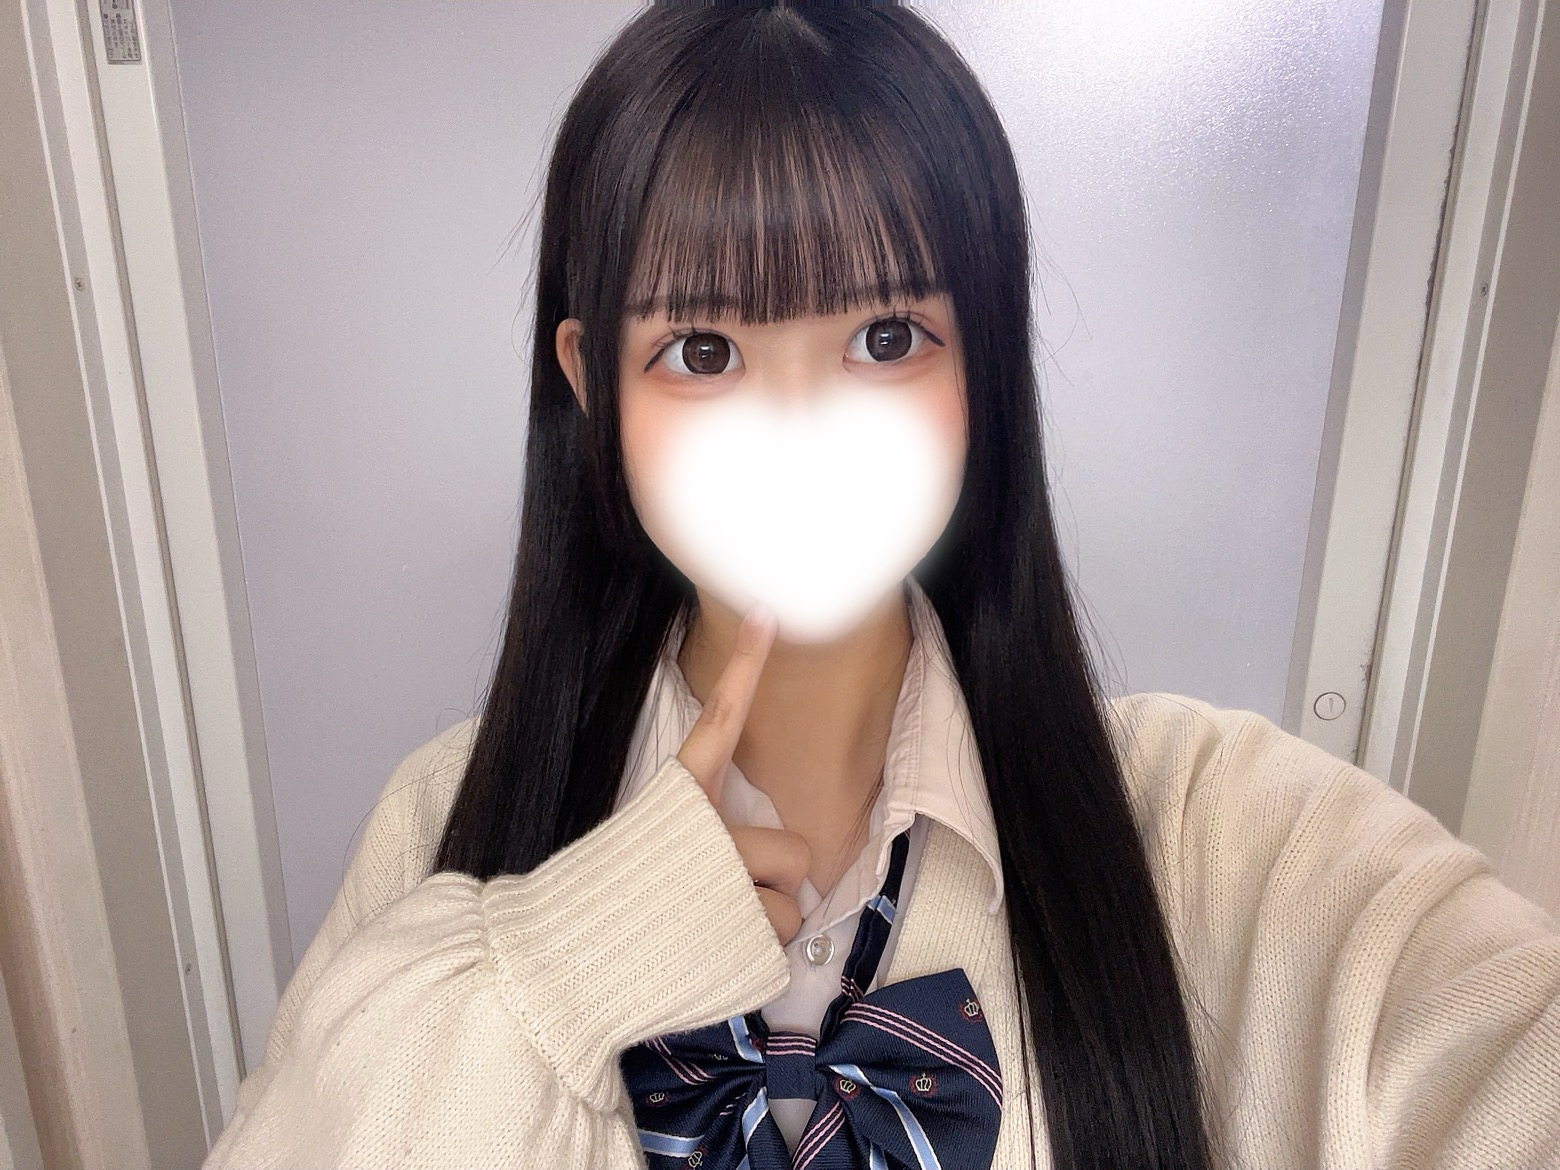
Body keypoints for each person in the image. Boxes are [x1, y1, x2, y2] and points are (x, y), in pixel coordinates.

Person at [202, 4, 1560, 1168]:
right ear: (590, 386)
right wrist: (561, 963)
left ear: (983, 372)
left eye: (889, 335)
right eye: (702, 350)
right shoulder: (449, 820)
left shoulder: (1208, 831)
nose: (801, 431)